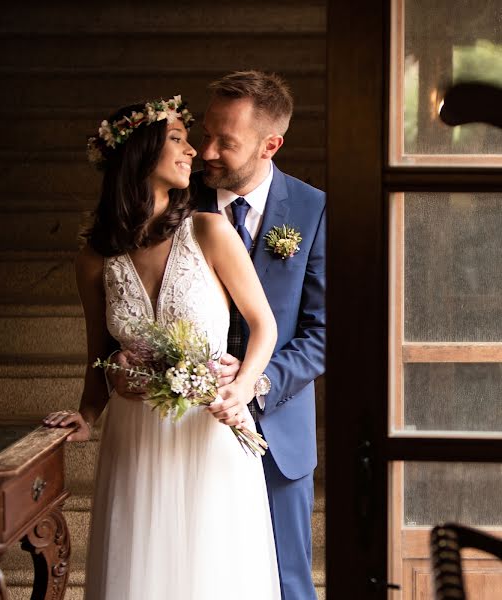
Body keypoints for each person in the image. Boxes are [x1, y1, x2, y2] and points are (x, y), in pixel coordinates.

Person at [43, 95, 280, 600]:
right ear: (140, 153)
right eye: (177, 138)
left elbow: (264, 326)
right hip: (133, 438)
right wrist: (89, 413)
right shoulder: (94, 257)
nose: (193, 150)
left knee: (211, 573)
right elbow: (98, 351)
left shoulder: (209, 230)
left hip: (207, 434)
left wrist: (239, 391)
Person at [193, 71, 326, 600]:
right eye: (206, 133)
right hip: (189, 425)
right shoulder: (180, 204)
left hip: (279, 432)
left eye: (226, 142)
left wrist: (256, 381)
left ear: (271, 145)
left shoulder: (312, 208)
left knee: (289, 582)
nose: (207, 151)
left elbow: (321, 332)